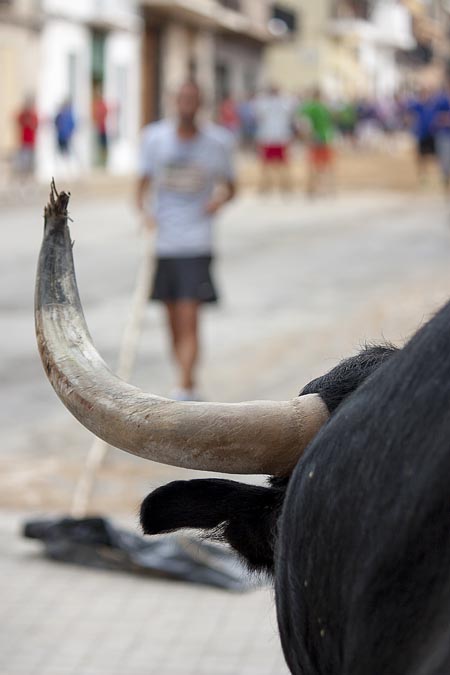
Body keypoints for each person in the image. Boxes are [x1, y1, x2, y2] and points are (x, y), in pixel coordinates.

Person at [137, 80, 236, 401]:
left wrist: (217, 203)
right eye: (182, 99)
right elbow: (140, 188)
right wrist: (146, 214)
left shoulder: (218, 143)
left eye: (193, 99)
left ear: (201, 103)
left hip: (196, 244)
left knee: (189, 317)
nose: (187, 105)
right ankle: (185, 382)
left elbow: (232, 186)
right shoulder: (154, 139)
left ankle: (185, 384)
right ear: (173, 101)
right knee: (171, 322)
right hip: (164, 245)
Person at [253, 85, 296, 192]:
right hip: (273, 137)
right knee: (270, 165)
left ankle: (283, 187)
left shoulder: (267, 102)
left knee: (278, 165)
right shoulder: (279, 102)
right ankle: (269, 187)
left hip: (275, 137)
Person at [299, 88, 335, 197]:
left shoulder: (308, 108)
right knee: (326, 165)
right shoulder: (325, 107)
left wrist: (306, 136)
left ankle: (312, 189)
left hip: (314, 138)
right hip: (326, 138)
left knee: (313, 164)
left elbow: (303, 123)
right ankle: (328, 189)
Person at [406, 86, 439, 184]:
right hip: (421, 134)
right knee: (421, 156)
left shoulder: (433, 105)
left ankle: (435, 175)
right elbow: (408, 115)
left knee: (433, 156)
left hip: (432, 134)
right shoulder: (417, 105)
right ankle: (423, 176)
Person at [16, 97, 38, 176]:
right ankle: (23, 174)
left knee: (31, 161)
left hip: (32, 141)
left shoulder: (33, 115)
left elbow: (35, 125)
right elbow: (18, 121)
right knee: (24, 160)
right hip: (24, 141)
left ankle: (30, 174)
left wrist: (30, 123)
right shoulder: (22, 114)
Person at [92, 86, 109, 166]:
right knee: (99, 145)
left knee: (103, 145)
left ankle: (103, 161)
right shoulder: (97, 105)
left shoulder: (102, 105)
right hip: (98, 128)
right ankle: (100, 161)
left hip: (103, 128)